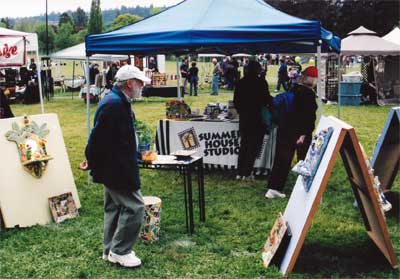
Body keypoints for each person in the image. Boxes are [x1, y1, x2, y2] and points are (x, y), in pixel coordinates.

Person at [85, 65, 150, 267]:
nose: (142, 86)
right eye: (139, 83)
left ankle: (109, 250)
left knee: (114, 208)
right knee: (135, 207)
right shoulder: (114, 104)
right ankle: (120, 251)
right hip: (117, 167)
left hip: (113, 165)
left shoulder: (118, 101)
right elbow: (96, 139)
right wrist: (93, 161)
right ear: (129, 83)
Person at [265, 66, 318, 198]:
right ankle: (306, 189)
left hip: (284, 128)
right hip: (298, 132)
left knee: (281, 160)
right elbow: (308, 117)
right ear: (313, 79)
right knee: (305, 161)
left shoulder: (293, 88)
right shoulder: (308, 94)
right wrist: (304, 134)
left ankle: (273, 188)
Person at [234, 60, 273, 180]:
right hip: (257, 118)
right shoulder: (261, 82)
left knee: (244, 145)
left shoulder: (240, 82)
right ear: (257, 70)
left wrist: (242, 111)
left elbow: (236, 101)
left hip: (245, 118)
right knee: (253, 146)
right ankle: (247, 172)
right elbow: (267, 99)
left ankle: (239, 172)